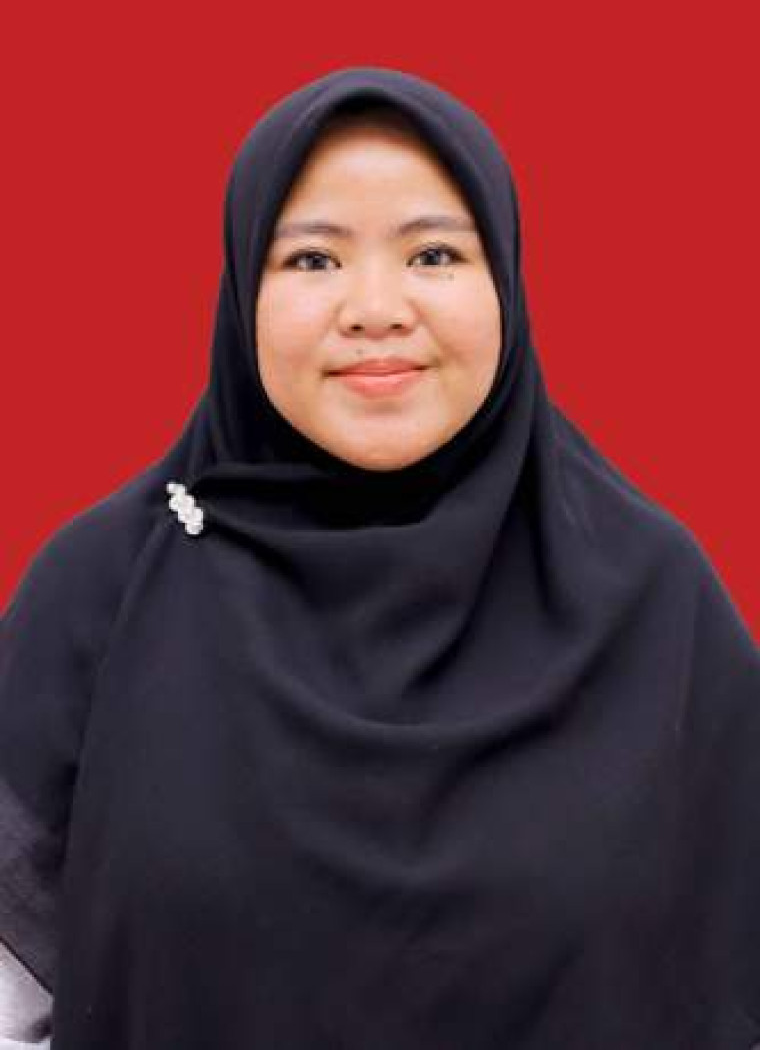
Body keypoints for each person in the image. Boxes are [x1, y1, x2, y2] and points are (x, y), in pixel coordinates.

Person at [1, 65, 758, 1050]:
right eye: (312, 259)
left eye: (434, 253)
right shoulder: (103, 586)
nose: (374, 307)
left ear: (506, 280)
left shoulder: (654, 599)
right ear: (241, 287)